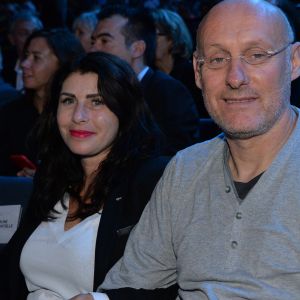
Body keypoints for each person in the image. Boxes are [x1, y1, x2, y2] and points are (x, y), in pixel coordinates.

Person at [70, 0, 300, 299]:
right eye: (217, 59)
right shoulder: (185, 169)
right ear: (197, 71)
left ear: (294, 61)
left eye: (256, 55)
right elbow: (135, 280)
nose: (235, 77)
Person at [0, 52, 170, 299]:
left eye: (96, 101)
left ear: (124, 110)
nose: (78, 116)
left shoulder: (152, 181)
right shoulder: (51, 177)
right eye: (68, 101)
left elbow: (171, 283)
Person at [90, 5, 200, 155]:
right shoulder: (93, 90)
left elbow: (177, 158)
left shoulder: (169, 93)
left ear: (137, 49)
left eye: (104, 41)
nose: (93, 50)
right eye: (93, 41)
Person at [0, 28, 84, 176]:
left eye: (36, 58)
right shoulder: (9, 114)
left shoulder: (77, 115)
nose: (24, 64)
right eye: (26, 56)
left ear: (62, 62)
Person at [152, 8, 209, 118]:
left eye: (154, 35)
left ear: (171, 39)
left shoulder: (193, 75)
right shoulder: (147, 77)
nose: (147, 41)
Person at [2, 11, 43, 90]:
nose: (31, 38)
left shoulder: (49, 70)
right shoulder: (5, 68)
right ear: (12, 39)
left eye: (35, 32)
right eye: (24, 33)